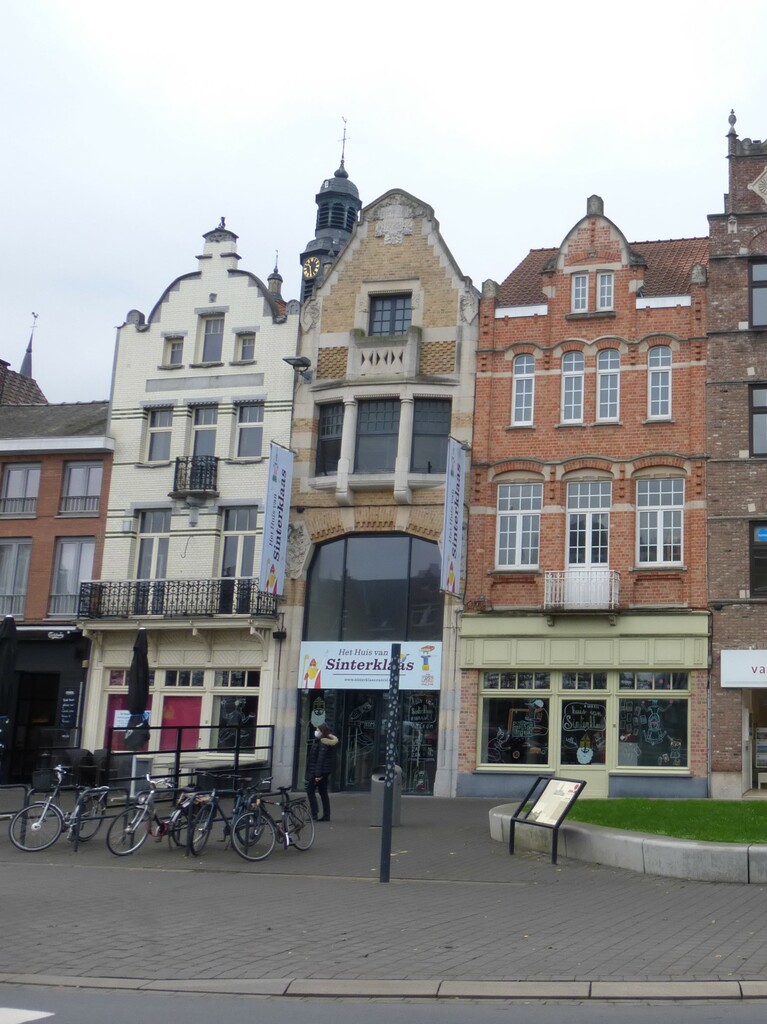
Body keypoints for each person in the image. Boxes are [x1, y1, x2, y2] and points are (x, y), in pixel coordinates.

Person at [306, 723, 339, 822]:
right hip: (324, 771)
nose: (316, 732)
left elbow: (320, 760)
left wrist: (317, 774)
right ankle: (326, 814)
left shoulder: (323, 743)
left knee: (310, 790)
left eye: (318, 730)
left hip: (320, 772)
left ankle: (314, 813)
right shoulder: (325, 742)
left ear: (322, 732)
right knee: (323, 792)